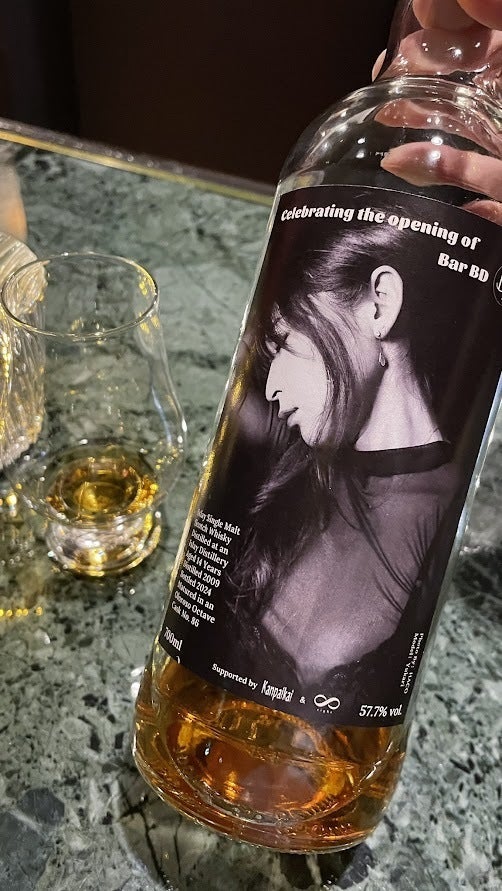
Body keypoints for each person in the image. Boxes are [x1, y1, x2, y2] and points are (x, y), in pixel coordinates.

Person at [228, 222, 467, 692]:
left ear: (381, 305)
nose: (273, 387)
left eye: (287, 344)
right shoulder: (302, 471)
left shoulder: (449, 508)